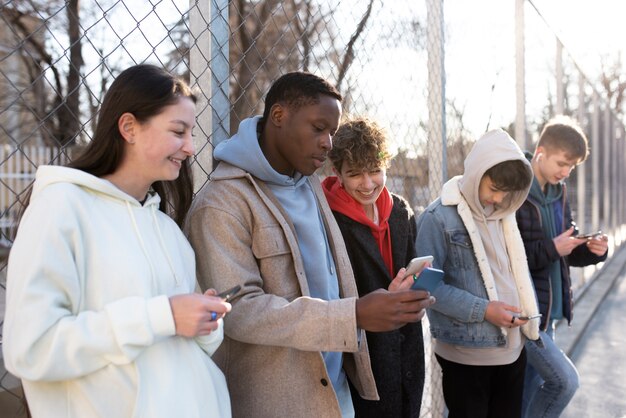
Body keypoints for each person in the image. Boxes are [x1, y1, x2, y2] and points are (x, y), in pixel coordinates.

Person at [185, 71, 434, 418]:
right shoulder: (222, 203)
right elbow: (237, 311)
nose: (328, 143)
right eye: (318, 128)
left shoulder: (311, 187)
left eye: (331, 133)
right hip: (277, 403)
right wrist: (356, 314)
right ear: (278, 117)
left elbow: (330, 284)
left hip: (337, 396)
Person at [2, 64, 232, 418]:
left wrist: (202, 322)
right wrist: (162, 315)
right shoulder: (62, 207)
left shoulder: (167, 229)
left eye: (192, 133)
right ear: (128, 127)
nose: (190, 147)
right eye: (178, 131)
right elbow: (32, 347)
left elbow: (183, 351)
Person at [415, 129, 541, 418]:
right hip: (467, 357)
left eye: (506, 193)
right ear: (476, 173)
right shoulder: (438, 218)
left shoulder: (505, 214)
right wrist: (485, 310)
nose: (497, 199)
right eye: (493, 188)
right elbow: (425, 286)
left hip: (513, 350)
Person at [321, 118, 430, 417]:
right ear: (337, 172)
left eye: (375, 172)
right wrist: (385, 295)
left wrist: (417, 288)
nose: (367, 184)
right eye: (355, 174)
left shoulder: (401, 211)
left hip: (406, 347)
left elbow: (409, 266)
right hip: (360, 355)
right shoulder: (326, 217)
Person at [516, 116, 608, 418]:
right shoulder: (517, 189)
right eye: (562, 163)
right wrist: (554, 248)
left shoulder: (560, 192)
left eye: (572, 167)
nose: (566, 172)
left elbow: (564, 248)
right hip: (526, 313)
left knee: (534, 390)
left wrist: (592, 250)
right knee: (552, 386)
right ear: (540, 151)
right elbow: (510, 258)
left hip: (551, 315)